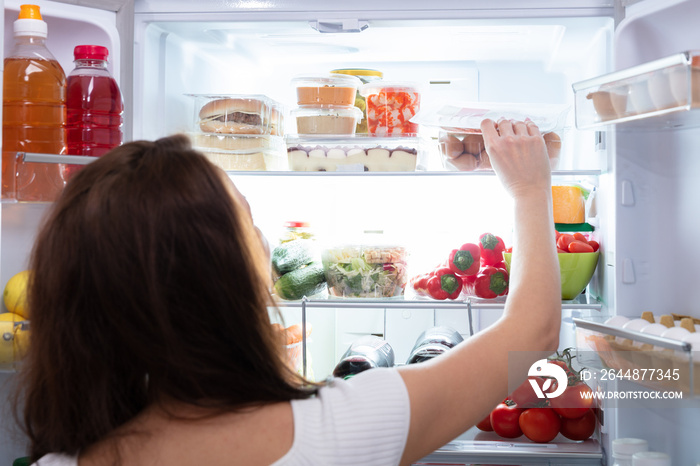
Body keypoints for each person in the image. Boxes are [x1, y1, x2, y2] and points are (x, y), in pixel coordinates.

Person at [14, 117, 560, 466]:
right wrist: (531, 188)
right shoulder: (341, 429)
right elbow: (530, 335)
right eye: (250, 224)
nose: (265, 241)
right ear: (223, 278)